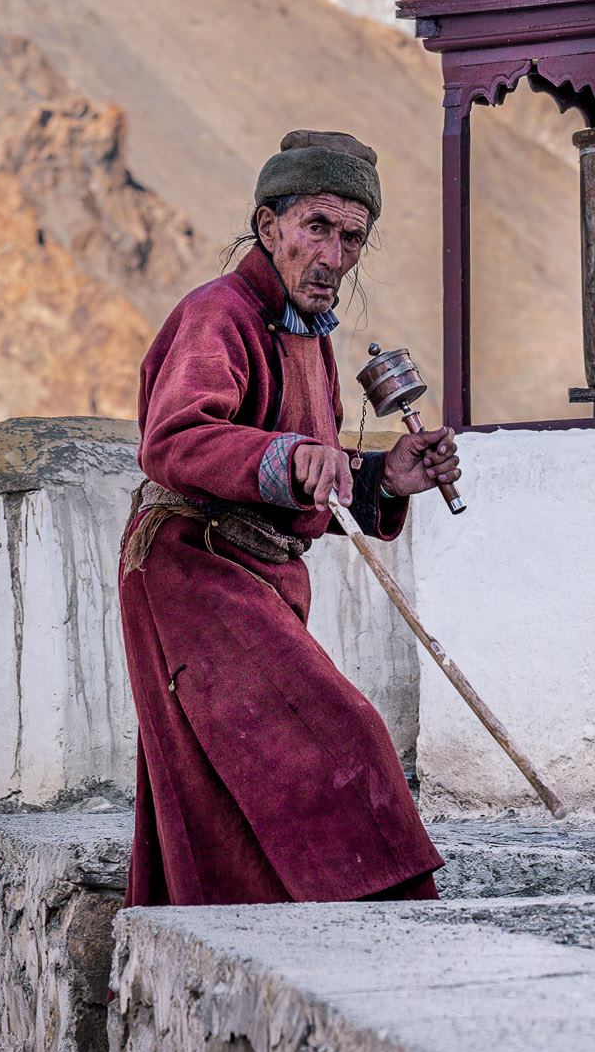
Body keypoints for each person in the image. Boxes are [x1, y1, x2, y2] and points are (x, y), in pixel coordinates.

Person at [118, 129, 459, 908]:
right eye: (318, 227)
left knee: (230, 789)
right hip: (193, 572)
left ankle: (260, 937)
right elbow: (173, 440)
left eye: (352, 238)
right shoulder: (219, 315)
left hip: (258, 579)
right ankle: (393, 924)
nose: (334, 256)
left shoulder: (311, 338)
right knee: (339, 739)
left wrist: (383, 476)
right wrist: (291, 454)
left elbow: (312, 474)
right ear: (269, 227)